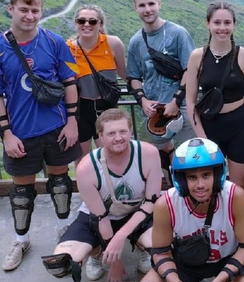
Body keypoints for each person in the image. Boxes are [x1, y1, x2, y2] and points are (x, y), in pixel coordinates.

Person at [0, 0, 82, 271]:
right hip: (21, 132)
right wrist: (7, 134)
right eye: (23, 9)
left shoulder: (54, 41)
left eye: (35, 10)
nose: (29, 15)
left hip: (57, 127)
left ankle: (64, 231)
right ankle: (20, 239)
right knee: (22, 191)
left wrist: (72, 121)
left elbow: (70, 82)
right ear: (10, 9)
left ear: (41, 12)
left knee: (60, 184)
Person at [42, 109, 162, 282]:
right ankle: (97, 252)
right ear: (101, 136)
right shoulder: (87, 167)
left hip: (138, 212)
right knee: (61, 262)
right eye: (111, 133)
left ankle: (142, 246)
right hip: (99, 217)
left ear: (130, 131)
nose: (118, 137)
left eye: (123, 131)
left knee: (163, 245)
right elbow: (101, 217)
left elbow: (152, 202)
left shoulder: (148, 154)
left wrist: (120, 237)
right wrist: (115, 264)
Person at [142, 138, 244, 282]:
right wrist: (175, 280)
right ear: (181, 181)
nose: (200, 185)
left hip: (229, 259)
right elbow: (161, 252)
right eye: (192, 177)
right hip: (184, 264)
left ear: (217, 175)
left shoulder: (234, 196)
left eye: (206, 175)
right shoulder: (166, 204)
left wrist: (221, 278)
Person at [185, 1, 244, 191]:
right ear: (208, 23)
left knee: (239, 186)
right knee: (211, 185)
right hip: (210, 126)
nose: (222, 28)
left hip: (239, 125)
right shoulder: (197, 56)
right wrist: (203, 139)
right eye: (217, 22)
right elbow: (190, 101)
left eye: (227, 23)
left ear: (233, 24)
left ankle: (239, 221)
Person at [127, 0, 196, 172]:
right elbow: (133, 77)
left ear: (159, 4)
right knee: (156, 160)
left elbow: (190, 69)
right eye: (142, 5)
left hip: (182, 107)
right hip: (154, 112)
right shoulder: (135, 42)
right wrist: (142, 100)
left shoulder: (178, 33)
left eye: (151, 4)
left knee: (190, 157)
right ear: (135, 8)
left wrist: (176, 100)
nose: (147, 9)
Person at [67, 4, 127, 161]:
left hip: (106, 106)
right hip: (81, 108)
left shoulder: (112, 44)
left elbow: (124, 72)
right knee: (82, 159)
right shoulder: (68, 49)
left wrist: (142, 91)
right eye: (82, 21)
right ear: (76, 23)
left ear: (100, 24)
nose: (86, 25)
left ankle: (113, 185)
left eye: (92, 21)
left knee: (112, 155)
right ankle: (86, 185)